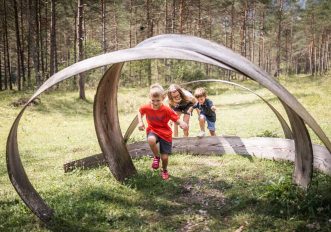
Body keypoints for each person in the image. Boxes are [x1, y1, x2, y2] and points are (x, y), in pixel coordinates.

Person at [138, 83, 188, 180]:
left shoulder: (166, 110)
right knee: (151, 140)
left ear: (163, 97)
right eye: (153, 100)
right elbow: (140, 111)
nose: (155, 103)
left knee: (165, 158)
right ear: (149, 97)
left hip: (165, 134)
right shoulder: (147, 107)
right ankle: (156, 157)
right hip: (153, 130)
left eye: (158, 100)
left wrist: (181, 123)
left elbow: (175, 118)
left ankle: (164, 170)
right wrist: (140, 122)